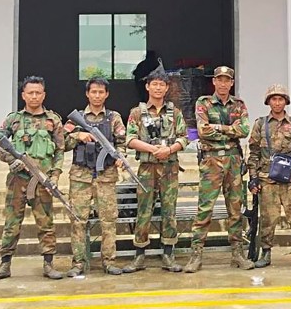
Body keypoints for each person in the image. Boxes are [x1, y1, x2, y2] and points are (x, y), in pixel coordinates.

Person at [0, 76, 65, 281]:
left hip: (42, 180)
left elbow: (60, 151)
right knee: (12, 223)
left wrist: (55, 175)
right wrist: (11, 159)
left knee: (46, 223)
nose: (34, 96)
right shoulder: (14, 119)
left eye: (38, 92)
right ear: (23, 95)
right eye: (30, 92)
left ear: (44, 94)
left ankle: (48, 264)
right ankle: (4, 265)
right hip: (18, 179)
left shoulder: (53, 120)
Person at [183, 66, 253, 273]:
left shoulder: (239, 105)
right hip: (211, 161)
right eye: (219, 80)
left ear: (232, 83)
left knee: (235, 209)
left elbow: (244, 130)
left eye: (227, 80)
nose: (223, 84)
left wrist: (218, 128)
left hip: (233, 161)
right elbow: (203, 131)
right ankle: (196, 254)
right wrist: (230, 130)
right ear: (214, 81)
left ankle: (237, 253)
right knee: (205, 208)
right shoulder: (203, 102)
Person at [122, 65, 188, 273]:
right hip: (147, 168)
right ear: (148, 87)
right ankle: (139, 254)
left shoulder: (174, 112)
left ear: (167, 88)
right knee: (144, 211)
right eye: (154, 85)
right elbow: (130, 139)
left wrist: (168, 150)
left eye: (162, 85)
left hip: (169, 168)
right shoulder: (136, 112)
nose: (158, 88)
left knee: (169, 210)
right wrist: (153, 149)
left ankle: (168, 254)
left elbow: (184, 138)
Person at [64, 76, 128, 277]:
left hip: (106, 176)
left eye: (101, 92)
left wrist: (121, 156)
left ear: (107, 94)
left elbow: (123, 141)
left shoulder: (114, 117)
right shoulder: (78, 117)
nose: (97, 95)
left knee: (108, 221)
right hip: (81, 177)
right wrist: (78, 136)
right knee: (78, 221)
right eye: (94, 91)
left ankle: (109, 261)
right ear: (87, 93)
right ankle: (78, 263)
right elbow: (62, 141)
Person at [247, 84, 291, 269]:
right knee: (268, 218)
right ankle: (266, 253)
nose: (277, 102)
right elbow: (254, 153)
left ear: (286, 102)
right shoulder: (260, 124)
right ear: (268, 102)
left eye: (280, 99)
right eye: (273, 99)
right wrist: (253, 178)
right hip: (267, 179)